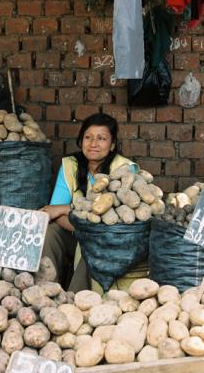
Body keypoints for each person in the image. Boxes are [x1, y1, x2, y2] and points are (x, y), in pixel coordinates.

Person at [40, 113, 138, 291]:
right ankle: (47, 290)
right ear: (81, 140)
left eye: (102, 138)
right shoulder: (71, 165)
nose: (93, 144)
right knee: (50, 231)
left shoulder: (124, 169)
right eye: (88, 137)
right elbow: (54, 214)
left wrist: (66, 208)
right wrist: (80, 226)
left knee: (93, 241)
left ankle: (76, 300)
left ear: (112, 144)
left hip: (108, 241)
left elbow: (113, 222)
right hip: (74, 233)